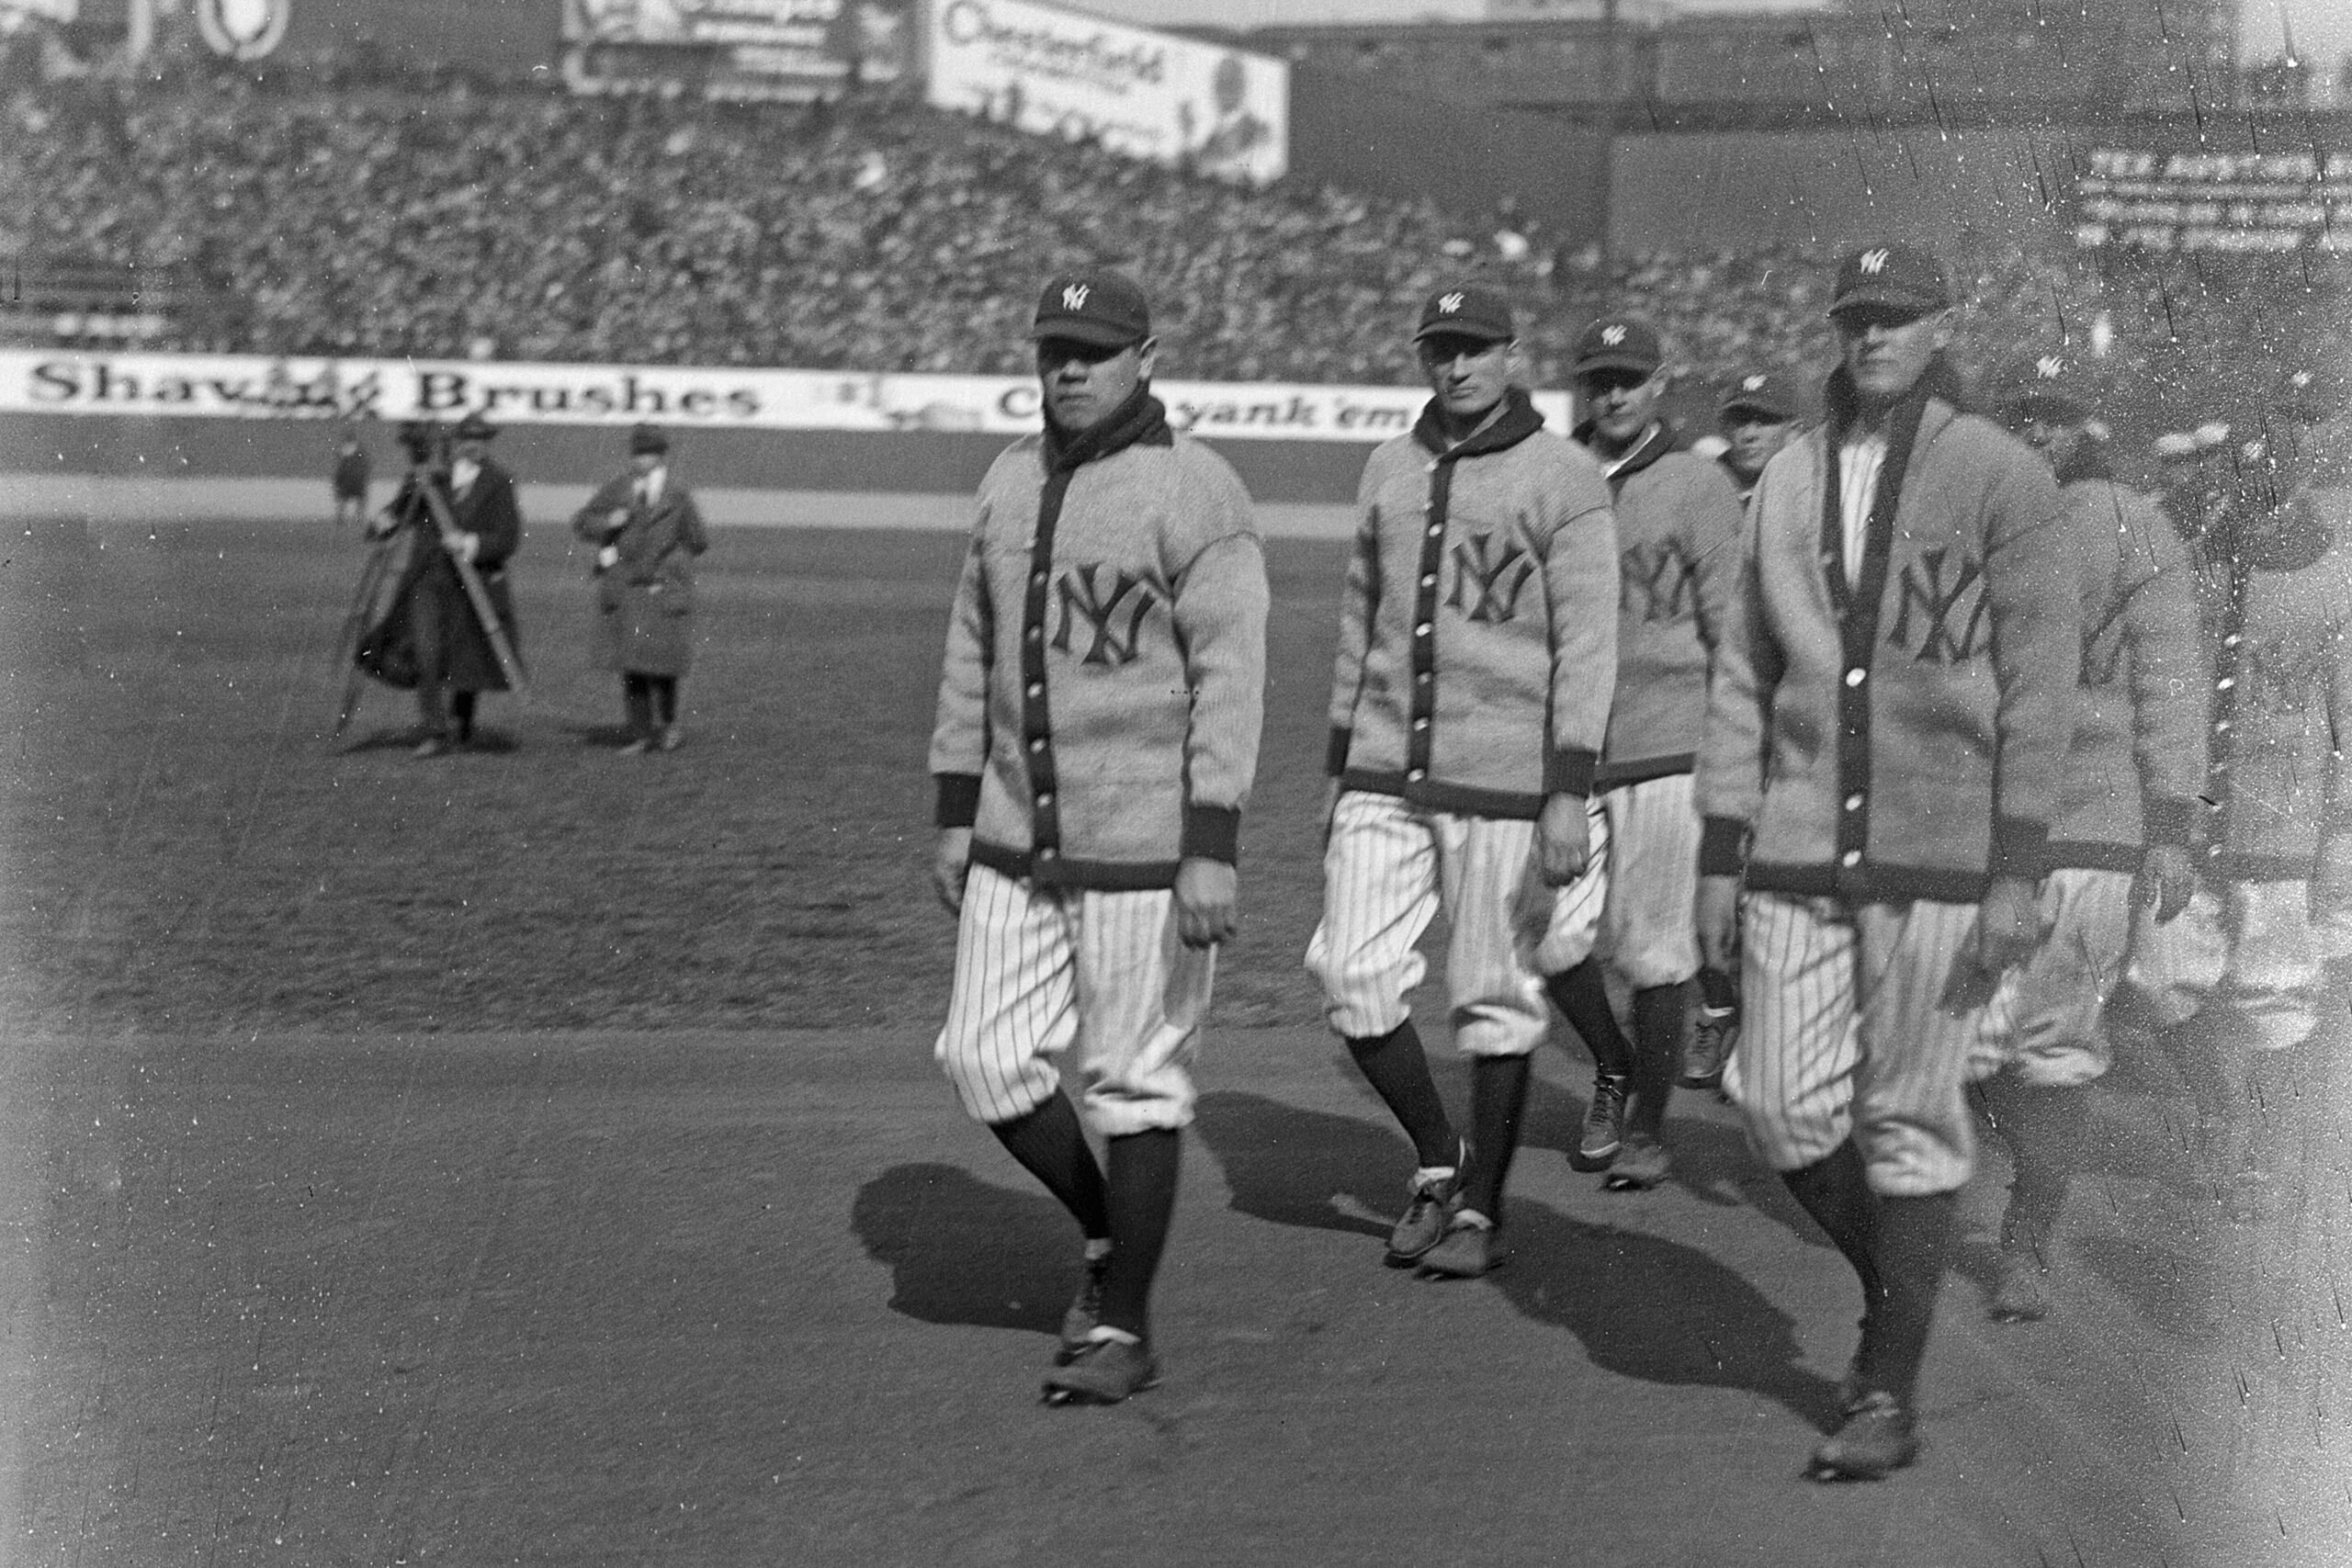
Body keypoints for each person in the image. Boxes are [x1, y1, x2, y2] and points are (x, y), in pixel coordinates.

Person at [1694, 241, 2077, 1480]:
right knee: (1778, 1100)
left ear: (1941, 325)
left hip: (1948, 850)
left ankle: (1887, 1390)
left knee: (1911, 1118)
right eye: (1858, 317)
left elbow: (2037, 687)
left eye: (1898, 319)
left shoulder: (2002, 474)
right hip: (1802, 837)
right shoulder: (1790, 473)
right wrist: (1717, 845)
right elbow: (1744, 672)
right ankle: (1893, 1279)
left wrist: (2020, 864)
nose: (1875, 339)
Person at [928, 270, 1268, 1406]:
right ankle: (1107, 1234)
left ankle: (1124, 1328)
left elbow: (1230, 676)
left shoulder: (1196, 489)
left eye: (1094, 350)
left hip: (1147, 842)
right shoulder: (1007, 478)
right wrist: (952, 809)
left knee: (1136, 1080)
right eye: (1053, 350)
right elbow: (971, 652)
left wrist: (1212, 838)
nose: (1068, 369)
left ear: (1147, 357)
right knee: (982, 1054)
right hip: (1016, 830)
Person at [1308, 283, 1618, 1279]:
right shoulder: (1387, 467)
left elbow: (1588, 642)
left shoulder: (1564, 476)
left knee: (1493, 992)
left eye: (1476, 349)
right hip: (1387, 766)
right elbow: (1360, 624)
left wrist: (1569, 785)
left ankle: (1480, 1211)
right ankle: (1438, 1160)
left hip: (1509, 779)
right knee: (1350, 974)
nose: (1458, 367)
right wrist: (1337, 763)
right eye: (1441, 349)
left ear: (1510, 354)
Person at [1967, 350, 2206, 1323]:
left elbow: (2169, 680)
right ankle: (1998, 1201)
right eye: (2020, 413)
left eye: (2054, 417)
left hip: (2091, 822)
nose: (2034, 432)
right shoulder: (1974, 511)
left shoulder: (2130, 523)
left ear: (2086, 426)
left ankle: (2026, 1243)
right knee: (1961, 1044)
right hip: (1977, 821)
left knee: (2052, 1049)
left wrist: (2171, 826)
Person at [2115, 371, 2352, 1216]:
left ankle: (2263, 1150)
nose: (2280, 443)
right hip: (2187, 808)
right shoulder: (2195, 543)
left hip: (2280, 810)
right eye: (2270, 423)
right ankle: (2224, 1116)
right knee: (2159, 976)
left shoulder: (2337, 564)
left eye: (2303, 424)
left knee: (2278, 995)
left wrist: (2338, 832)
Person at [1542, 313, 1743, 1191]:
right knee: (1545, 943)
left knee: (1657, 951)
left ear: (1660, 383)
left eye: (1629, 377)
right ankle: (1616, 1063)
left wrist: (1738, 752)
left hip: (1669, 744)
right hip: (1569, 750)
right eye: (1599, 378)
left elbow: (1731, 628)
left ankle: (1648, 1128)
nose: (1613, 393)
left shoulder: (1697, 485)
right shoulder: (1551, 473)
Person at [366, 412, 525, 756]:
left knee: (468, 658)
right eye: (469, 439)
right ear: (456, 442)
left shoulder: (500, 482)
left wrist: (470, 543)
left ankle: (462, 722)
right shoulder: (430, 478)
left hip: (474, 582)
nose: (475, 446)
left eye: (481, 440)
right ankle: (435, 731)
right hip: (427, 579)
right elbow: (396, 515)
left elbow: (508, 538)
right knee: (427, 651)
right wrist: (382, 523)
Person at [571, 423, 708, 753]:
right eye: (637, 453)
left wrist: (673, 563)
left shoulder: (678, 495)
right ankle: (641, 733)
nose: (641, 460)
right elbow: (581, 521)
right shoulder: (618, 488)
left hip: (661, 589)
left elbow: (698, 540)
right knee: (632, 664)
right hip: (627, 589)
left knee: (662, 665)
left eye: (648, 454)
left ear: (661, 457)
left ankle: (668, 726)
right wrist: (608, 523)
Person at [1716, 370, 1803, 508]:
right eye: (1739, 421)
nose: (1749, 435)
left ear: (1793, 431)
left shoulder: (1814, 489)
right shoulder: (1703, 489)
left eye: (1764, 420)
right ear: (1725, 430)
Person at [332, 424, 371, 528]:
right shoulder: (358, 450)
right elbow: (365, 466)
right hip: (356, 479)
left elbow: (341, 468)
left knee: (344, 499)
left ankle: (341, 518)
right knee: (359, 499)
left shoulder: (344, 451)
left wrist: (338, 480)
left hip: (348, 479)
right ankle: (357, 518)